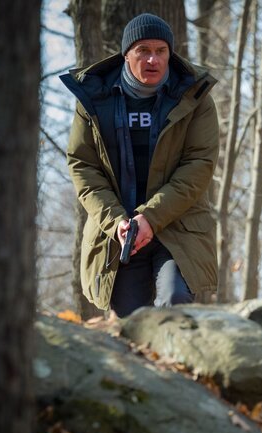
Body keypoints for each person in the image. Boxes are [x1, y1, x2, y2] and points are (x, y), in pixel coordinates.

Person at [61, 13, 219, 317]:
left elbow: (198, 165)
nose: (153, 60)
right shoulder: (93, 99)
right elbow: (83, 166)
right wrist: (116, 222)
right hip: (120, 234)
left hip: (177, 227)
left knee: (174, 303)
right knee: (129, 323)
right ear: (126, 55)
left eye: (161, 51)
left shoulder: (195, 97)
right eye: (143, 51)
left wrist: (150, 217)